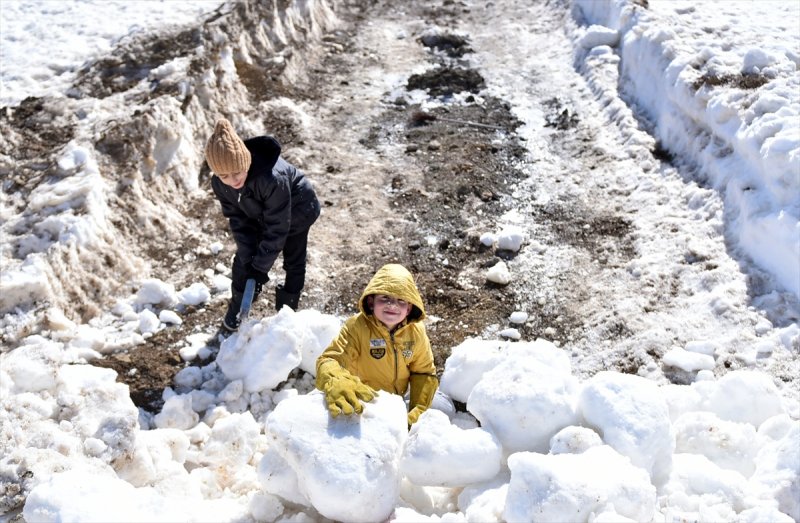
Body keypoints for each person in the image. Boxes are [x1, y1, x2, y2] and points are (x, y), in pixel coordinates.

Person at [204, 118, 320, 331]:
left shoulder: (272, 178)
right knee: (242, 261)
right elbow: (237, 219)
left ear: (245, 161)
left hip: (298, 209)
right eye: (224, 175)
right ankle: (239, 308)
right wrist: (250, 260)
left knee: (293, 259)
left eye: (237, 172)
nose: (233, 180)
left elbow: (278, 227)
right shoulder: (220, 184)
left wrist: (260, 268)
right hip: (260, 211)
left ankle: (287, 313)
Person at [315, 263, 439, 427]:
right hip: (365, 400)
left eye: (401, 301)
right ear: (372, 302)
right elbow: (329, 360)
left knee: (442, 408)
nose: (392, 305)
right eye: (385, 298)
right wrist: (337, 379)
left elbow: (423, 372)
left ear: (409, 308)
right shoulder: (357, 327)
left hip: (398, 399)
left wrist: (417, 412)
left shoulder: (416, 331)